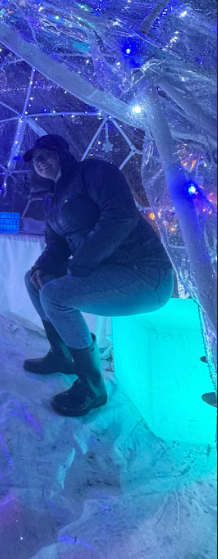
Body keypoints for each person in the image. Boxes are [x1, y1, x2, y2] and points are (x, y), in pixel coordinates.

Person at [23, 134, 174, 417]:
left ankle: (92, 385)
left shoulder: (92, 171)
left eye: (45, 154)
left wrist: (79, 265)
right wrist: (42, 267)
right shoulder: (51, 200)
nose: (39, 162)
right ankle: (61, 355)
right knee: (34, 281)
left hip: (144, 272)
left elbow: (121, 217)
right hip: (106, 269)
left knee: (54, 295)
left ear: (61, 152)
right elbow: (56, 245)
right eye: (35, 160)